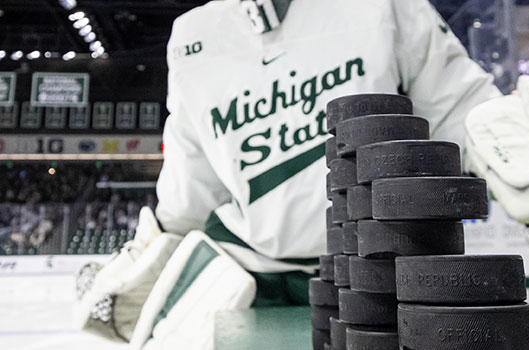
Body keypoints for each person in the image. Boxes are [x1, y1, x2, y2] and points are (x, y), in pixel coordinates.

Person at [76, 0, 500, 348]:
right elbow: (191, 185)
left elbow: (462, 107)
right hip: (254, 281)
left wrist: (516, 159)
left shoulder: (383, 5)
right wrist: (155, 248)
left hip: (381, 276)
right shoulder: (192, 33)